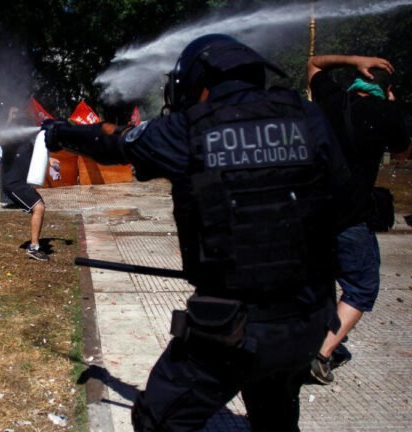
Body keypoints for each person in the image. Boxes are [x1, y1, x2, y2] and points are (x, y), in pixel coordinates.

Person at [43, 34, 350, 431]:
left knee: (159, 417)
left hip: (235, 330)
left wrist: (63, 133)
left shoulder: (191, 129)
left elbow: (116, 145)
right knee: (275, 414)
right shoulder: (308, 118)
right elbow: (342, 204)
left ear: (198, 83)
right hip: (309, 319)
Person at [306, 54, 410, 384]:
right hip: (350, 218)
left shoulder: (332, 99)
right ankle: (321, 353)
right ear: (386, 89)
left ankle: (299, 339)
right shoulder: (388, 113)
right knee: (362, 287)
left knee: (317, 280)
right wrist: (393, 107)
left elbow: (314, 64)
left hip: (310, 213)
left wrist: (353, 59)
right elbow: (402, 153)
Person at [2, 108, 49, 262]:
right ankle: (34, 247)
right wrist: (9, 119)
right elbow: (2, 138)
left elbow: (37, 159)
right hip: (13, 184)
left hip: (22, 184)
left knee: (39, 208)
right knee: (39, 207)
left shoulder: (28, 145)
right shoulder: (11, 143)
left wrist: (53, 162)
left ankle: (34, 245)